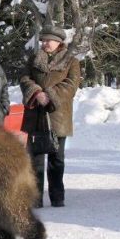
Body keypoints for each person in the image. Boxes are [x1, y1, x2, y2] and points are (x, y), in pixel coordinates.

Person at [19, 24, 81, 208]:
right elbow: (24, 78)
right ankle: (35, 198)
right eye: (43, 40)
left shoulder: (71, 61)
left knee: (57, 158)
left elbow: (71, 85)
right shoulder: (33, 59)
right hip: (35, 114)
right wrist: (36, 92)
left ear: (59, 42)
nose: (45, 43)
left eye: (49, 40)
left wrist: (50, 95)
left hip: (58, 115)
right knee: (35, 159)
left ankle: (57, 196)